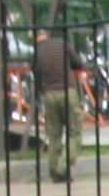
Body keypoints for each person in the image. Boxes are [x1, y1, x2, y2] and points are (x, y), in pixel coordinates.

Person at [33, 28, 89, 183]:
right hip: (67, 92)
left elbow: (36, 77)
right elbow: (78, 63)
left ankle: (54, 172)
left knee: (54, 135)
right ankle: (62, 167)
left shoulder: (37, 53)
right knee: (74, 132)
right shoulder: (61, 43)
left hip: (49, 95)